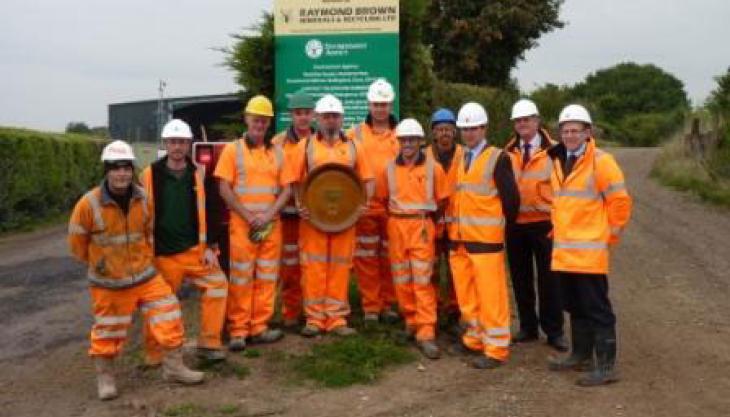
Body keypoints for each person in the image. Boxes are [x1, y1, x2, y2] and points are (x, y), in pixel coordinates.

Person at [68, 140, 204, 400]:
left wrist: (144, 261)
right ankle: (106, 378)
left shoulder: (143, 199)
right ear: (106, 171)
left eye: (126, 168)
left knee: (169, 311)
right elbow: (77, 246)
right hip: (110, 283)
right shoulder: (88, 204)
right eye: (115, 168)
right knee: (108, 330)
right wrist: (103, 265)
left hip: (145, 276)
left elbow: (148, 233)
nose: (122, 174)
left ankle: (174, 368)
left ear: (132, 170)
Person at [547, 104, 632, 386]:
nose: (570, 135)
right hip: (565, 254)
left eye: (576, 130)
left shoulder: (601, 161)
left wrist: (609, 237)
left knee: (598, 308)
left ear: (588, 132)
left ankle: (606, 367)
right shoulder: (558, 160)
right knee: (574, 305)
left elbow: (620, 203)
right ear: (560, 133)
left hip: (590, 254)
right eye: (566, 130)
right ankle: (580, 355)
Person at [140, 119, 228, 365]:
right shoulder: (149, 174)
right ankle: (155, 353)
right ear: (165, 144)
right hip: (163, 254)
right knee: (157, 304)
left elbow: (211, 209)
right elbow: (140, 214)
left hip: (195, 251)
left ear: (189, 144)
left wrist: (211, 246)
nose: (177, 146)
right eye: (172, 142)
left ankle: (209, 343)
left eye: (181, 142)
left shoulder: (199, 173)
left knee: (218, 286)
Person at [285, 94, 374, 337]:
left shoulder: (354, 146)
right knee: (313, 267)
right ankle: (314, 319)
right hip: (313, 220)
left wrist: (363, 205)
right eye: (326, 116)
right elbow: (294, 180)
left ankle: (336, 319)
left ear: (341, 118)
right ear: (318, 118)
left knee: (340, 267)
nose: (330, 121)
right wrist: (299, 203)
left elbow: (368, 179)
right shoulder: (305, 147)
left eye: (335, 116)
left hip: (345, 220)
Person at [214, 95, 292, 350]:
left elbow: (287, 189)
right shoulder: (232, 150)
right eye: (256, 119)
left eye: (264, 120)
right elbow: (223, 187)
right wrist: (248, 216)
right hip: (243, 225)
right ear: (247, 119)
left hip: (271, 225)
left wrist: (269, 215)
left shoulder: (278, 153)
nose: (259, 124)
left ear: (269, 123)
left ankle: (259, 327)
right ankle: (238, 330)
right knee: (241, 277)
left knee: (268, 277)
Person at [448, 102, 520, 369]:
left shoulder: (498, 158)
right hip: (462, 240)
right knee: (468, 296)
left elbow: (512, 201)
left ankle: (497, 348)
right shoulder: (462, 157)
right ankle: (475, 339)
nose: (468, 133)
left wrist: (499, 230)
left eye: (473, 128)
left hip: (486, 242)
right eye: (464, 129)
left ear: (484, 128)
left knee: (492, 297)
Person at [382, 118, 450, 359]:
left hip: (421, 225)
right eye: (404, 140)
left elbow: (442, 200)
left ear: (421, 142)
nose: (408, 144)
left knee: (422, 279)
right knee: (401, 277)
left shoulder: (433, 168)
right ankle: (410, 321)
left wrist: (428, 223)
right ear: (398, 142)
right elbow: (382, 198)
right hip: (396, 225)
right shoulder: (389, 168)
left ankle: (426, 330)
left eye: (412, 140)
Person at [504, 99, 567, 351]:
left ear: (537, 121)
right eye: (518, 121)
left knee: (550, 280)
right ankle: (528, 327)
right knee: (520, 278)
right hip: (515, 225)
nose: (522, 124)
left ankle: (554, 331)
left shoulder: (555, 150)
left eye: (527, 119)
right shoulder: (507, 151)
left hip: (545, 224)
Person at [347, 78, 400, 323]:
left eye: (384, 104)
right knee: (366, 258)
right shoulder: (354, 134)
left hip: (394, 206)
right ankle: (371, 306)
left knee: (391, 257)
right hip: (365, 206)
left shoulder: (403, 134)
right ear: (369, 104)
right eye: (376, 104)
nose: (380, 108)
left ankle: (389, 303)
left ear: (391, 105)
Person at [271, 91, 316, 329]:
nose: (303, 118)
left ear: (314, 114)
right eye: (299, 113)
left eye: (307, 113)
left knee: (311, 266)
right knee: (289, 267)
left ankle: (312, 313)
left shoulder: (320, 141)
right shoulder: (278, 143)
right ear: (291, 115)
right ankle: (290, 313)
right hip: (287, 216)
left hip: (313, 216)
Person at [425, 108, 463, 331]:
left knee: (457, 270)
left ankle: (456, 309)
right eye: (440, 129)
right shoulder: (424, 156)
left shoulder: (465, 155)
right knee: (431, 269)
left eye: (448, 129)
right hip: (432, 223)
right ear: (433, 132)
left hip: (458, 225)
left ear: (455, 131)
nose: (444, 134)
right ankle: (434, 307)